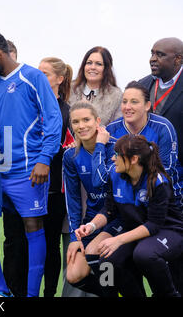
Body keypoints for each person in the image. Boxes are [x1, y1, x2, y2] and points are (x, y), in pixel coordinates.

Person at [0, 27, 62, 297]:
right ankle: (0, 289)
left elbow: (53, 119)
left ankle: (31, 294)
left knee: (32, 226)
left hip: (29, 168)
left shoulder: (32, 77)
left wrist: (44, 158)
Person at [77, 134, 182, 297]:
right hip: (135, 230)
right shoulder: (115, 175)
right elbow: (109, 210)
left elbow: (153, 225)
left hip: (167, 230)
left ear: (133, 159)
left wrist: (117, 239)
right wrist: (91, 226)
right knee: (107, 260)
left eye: (117, 155)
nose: (113, 158)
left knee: (144, 254)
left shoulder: (157, 181)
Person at [62, 102, 123, 297]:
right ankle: (112, 292)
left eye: (86, 120)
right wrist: (74, 237)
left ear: (98, 121)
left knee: (99, 254)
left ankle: (114, 291)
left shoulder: (117, 147)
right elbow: (73, 200)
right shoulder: (71, 156)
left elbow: (99, 181)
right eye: (76, 122)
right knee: (74, 274)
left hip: (118, 217)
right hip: (92, 219)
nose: (81, 126)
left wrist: (99, 146)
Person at [38, 57, 74, 297]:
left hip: (52, 189)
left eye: (46, 74)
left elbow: (66, 149)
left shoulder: (67, 112)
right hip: (26, 184)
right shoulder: (29, 104)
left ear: (60, 79)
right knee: (23, 244)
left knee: (50, 247)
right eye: (38, 72)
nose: (40, 77)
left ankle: (49, 293)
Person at [138, 38, 183, 206]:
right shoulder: (142, 85)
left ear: (178, 59)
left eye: (160, 54)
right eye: (152, 53)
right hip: (145, 170)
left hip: (179, 173)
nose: (153, 59)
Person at [69, 46, 122, 126]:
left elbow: (116, 128)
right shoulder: (70, 90)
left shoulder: (116, 95)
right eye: (89, 63)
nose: (92, 67)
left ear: (106, 68)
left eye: (98, 64)